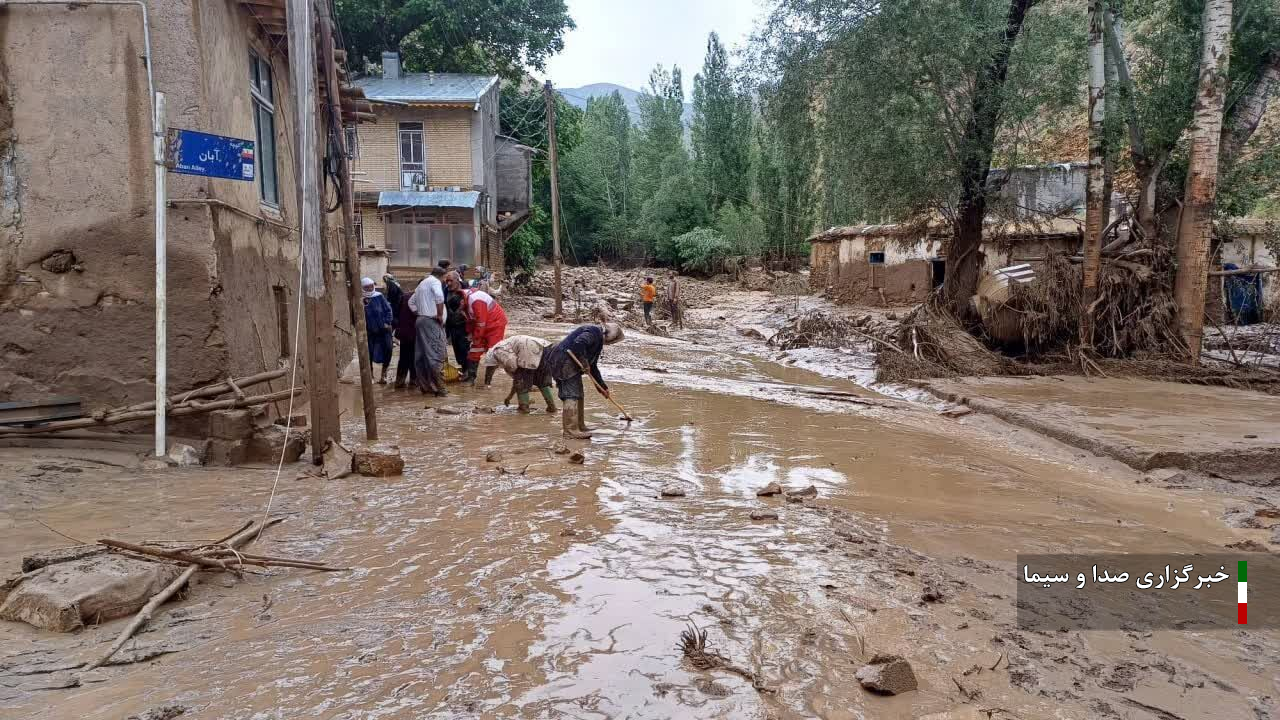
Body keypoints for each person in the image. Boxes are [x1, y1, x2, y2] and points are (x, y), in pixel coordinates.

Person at [544, 323, 624, 438]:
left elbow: (593, 367)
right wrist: (584, 362)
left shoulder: (597, 340)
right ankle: (570, 431)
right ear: (610, 336)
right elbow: (579, 343)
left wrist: (602, 387)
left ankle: (580, 426)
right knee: (571, 395)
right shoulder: (594, 332)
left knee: (579, 394)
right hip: (562, 362)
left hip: (568, 364)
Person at [478, 335, 557, 414]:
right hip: (543, 346)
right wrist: (510, 395)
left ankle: (524, 408)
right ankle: (552, 407)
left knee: (522, 380)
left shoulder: (497, 351)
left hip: (528, 347)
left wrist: (510, 396)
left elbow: (517, 372)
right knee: (541, 380)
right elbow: (517, 374)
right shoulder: (503, 345)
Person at [409, 266, 448, 396]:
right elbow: (439, 297)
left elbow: (411, 302)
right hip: (431, 322)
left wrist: (420, 314)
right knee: (436, 353)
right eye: (444, 279)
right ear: (441, 276)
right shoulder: (434, 282)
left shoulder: (422, 284)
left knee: (421, 355)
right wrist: (439, 314)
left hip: (421, 320)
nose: (444, 282)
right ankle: (441, 389)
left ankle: (426, 387)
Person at [463, 285, 508, 375]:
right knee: (474, 351)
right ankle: (471, 377)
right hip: (484, 324)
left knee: (492, 351)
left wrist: (475, 338)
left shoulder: (476, 300)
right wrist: (470, 334)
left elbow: (480, 323)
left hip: (496, 324)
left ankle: (488, 381)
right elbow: (471, 321)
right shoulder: (465, 300)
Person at [361, 278, 394, 384]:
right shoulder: (361, 299)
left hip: (384, 330)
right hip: (370, 332)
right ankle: (370, 376)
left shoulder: (379, 296)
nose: (370, 288)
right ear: (362, 288)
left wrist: (387, 322)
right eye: (367, 287)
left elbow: (388, 310)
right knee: (369, 353)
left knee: (388, 350)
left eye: (371, 286)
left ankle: (383, 375)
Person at [443, 271, 472, 380]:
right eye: (447, 281)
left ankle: (468, 371)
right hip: (452, 324)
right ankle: (464, 369)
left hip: (464, 325)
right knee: (456, 348)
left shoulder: (465, 290)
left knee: (464, 347)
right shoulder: (445, 291)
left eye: (451, 281)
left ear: (457, 280)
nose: (449, 283)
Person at [392, 282, 417, 389]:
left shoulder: (405, 296)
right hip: (414, 332)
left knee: (404, 357)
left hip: (405, 332)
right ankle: (413, 380)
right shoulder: (421, 298)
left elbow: (396, 314)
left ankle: (400, 381)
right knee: (414, 357)